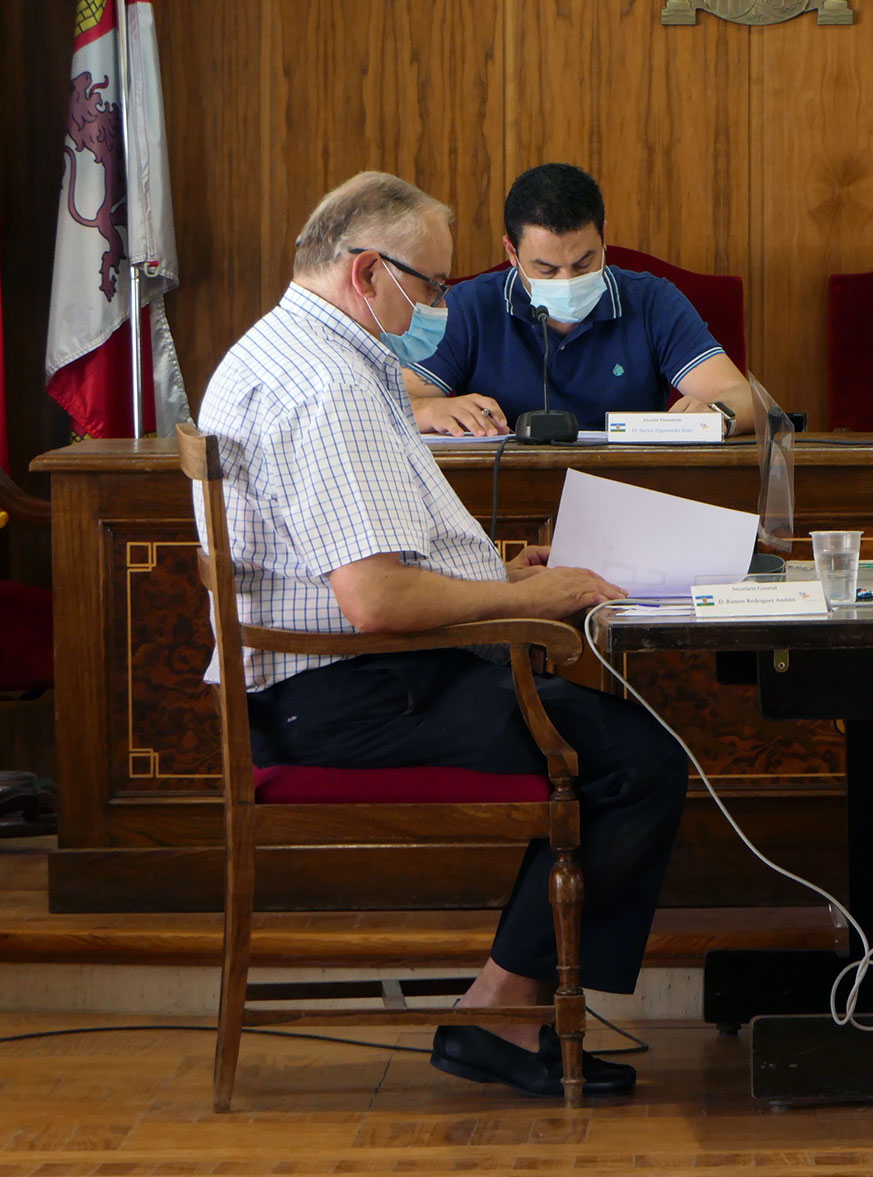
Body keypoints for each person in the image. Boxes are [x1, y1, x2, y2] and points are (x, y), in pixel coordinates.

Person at [195, 171, 691, 1099]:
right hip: (347, 696)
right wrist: (537, 597)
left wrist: (501, 577)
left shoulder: (295, 349)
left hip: (334, 681)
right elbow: (376, 600)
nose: (438, 308)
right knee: (638, 760)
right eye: (429, 286)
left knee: (615, 744)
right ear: (366, 272)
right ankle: (500, 1011)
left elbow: (364, 561)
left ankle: (504, 1008)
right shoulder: (328, 386)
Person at [404, 162, 757, 437]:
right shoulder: (468, 307)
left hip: (630, 488)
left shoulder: (653, 301)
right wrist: (430, 410)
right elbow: (391, 400)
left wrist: (718, 416)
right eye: (546, 269)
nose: (568, 281)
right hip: (506, 493)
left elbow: (742, 397)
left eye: (583, 263)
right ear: (511, 252)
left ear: (603, 239)